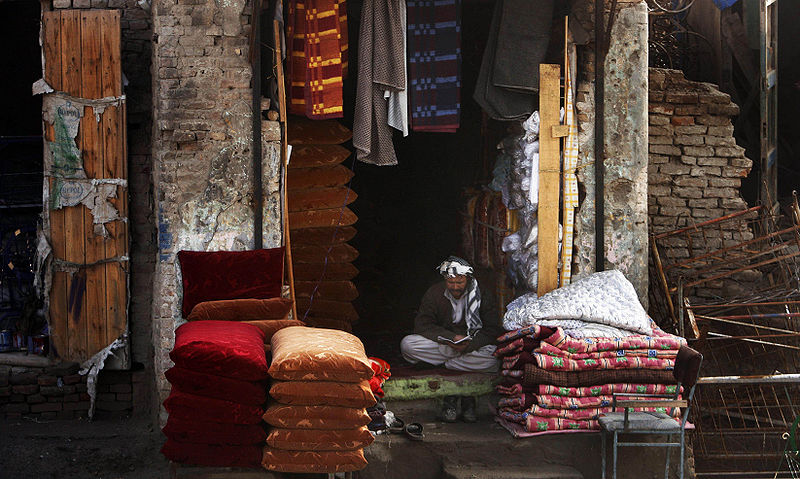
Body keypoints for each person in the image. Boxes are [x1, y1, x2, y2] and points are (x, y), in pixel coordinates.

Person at [400, 256, 500, 423]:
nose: (455, 287)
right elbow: (422, 325)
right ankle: (455, 361)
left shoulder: (483, 294)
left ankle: (445, 364)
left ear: (467, 279)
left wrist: (469, 344)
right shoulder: (434, 293)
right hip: (443, 344)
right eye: (450, 283)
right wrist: (450, 338)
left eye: (459, 283)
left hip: (471, 347)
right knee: (407, 345)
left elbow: (492, 330)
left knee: (494, 358)